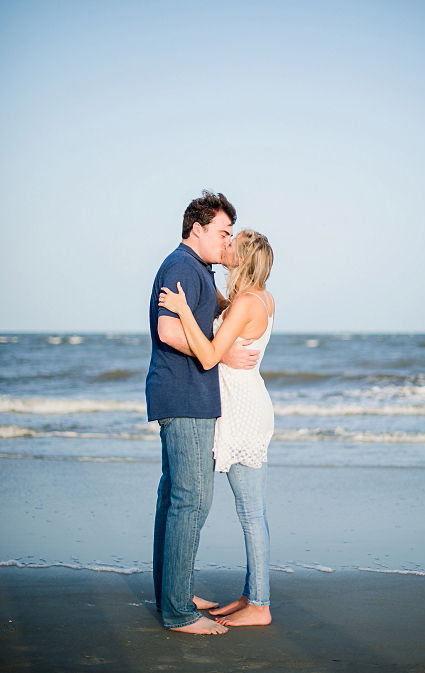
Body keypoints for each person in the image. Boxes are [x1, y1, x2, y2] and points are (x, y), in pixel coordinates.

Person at [146, 191, 259, 634]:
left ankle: (173, 593)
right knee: (192, 502)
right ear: (198, 228)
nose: (228, 242)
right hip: (186, 398)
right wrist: (222, 356)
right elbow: (169, 330)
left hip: (184, 396)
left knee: (176, 500)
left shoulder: (200, 270)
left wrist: (253, 288)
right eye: (223, 233)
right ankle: (177, 611)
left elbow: (224, 315)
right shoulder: (181, 267)